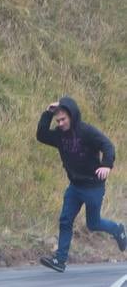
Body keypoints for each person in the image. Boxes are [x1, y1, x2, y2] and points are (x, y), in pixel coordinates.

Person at [36, 98, 127, 273]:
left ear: (72, 116)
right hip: (75, 187)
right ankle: (60, 260)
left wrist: (107, 164)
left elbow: (107, 145)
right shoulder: (59, 136)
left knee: (93, 224)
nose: (61, 123)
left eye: (63, 119)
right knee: (65, 220)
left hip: (93, 186)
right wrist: (48, 113)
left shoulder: (86, 131)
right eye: (58, 120)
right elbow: (41, 135)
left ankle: (117, 230)